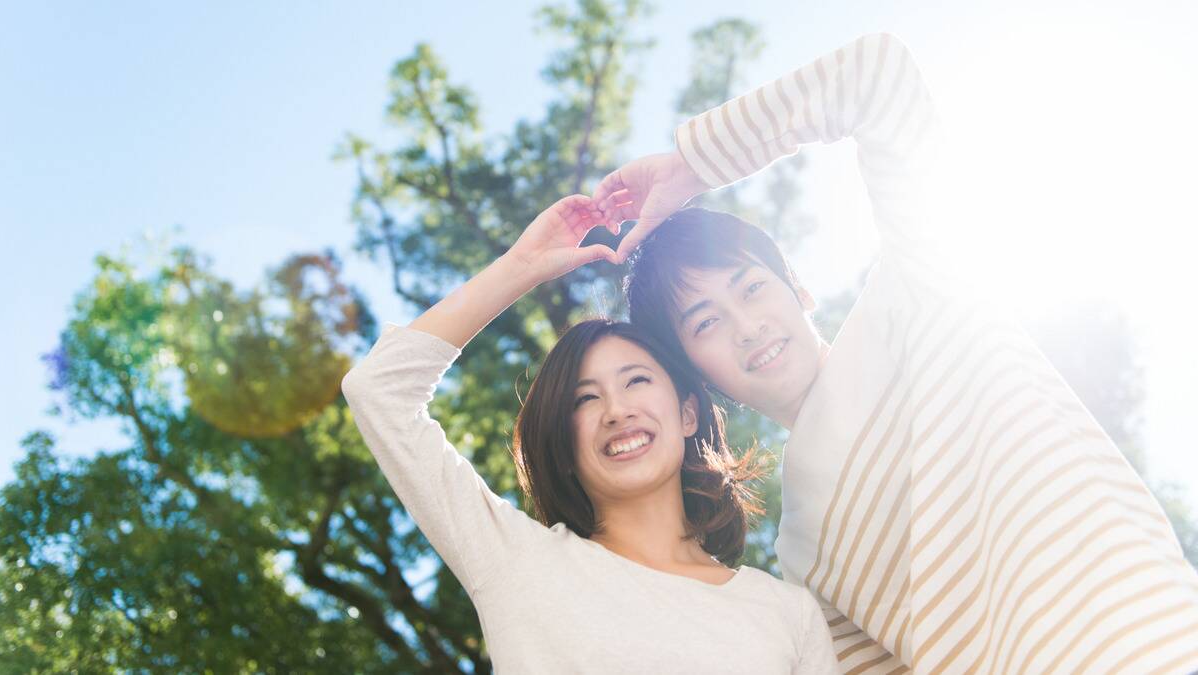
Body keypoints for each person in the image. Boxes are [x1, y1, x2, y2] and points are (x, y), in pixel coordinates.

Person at [594, 32, 1198, 674]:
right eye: (706, 322)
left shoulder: (916, 292)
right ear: (695, 375)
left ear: (798, 288)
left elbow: (876, 77)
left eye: (752, 287)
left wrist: (690, 166)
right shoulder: (804, 554)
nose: (746, 326)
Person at [340, 194, 840, 673]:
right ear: (562, 447)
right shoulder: (518, 565)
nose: (616, 410)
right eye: (585, 398)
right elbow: (380, 390)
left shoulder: (787, 612)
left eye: (636, 380)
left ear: (688, 414)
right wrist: (521, 266)